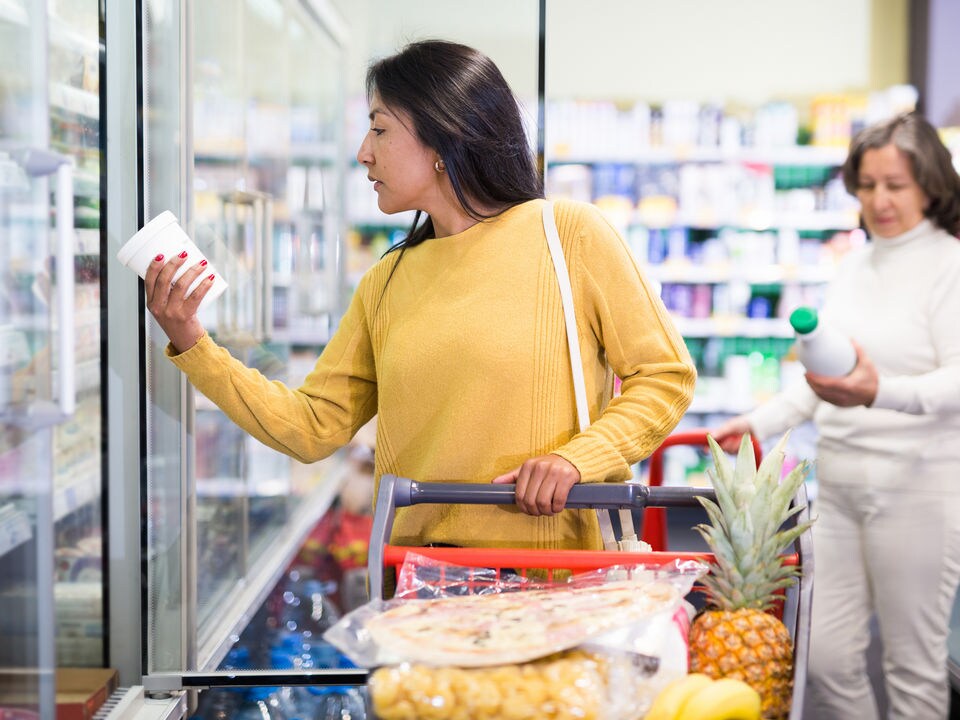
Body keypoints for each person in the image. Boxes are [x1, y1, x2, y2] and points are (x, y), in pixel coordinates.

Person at [143, 39, 695, 556]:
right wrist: (193, 341)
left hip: (552, 576)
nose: (363, 153)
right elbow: (312, 428)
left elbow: (665, 374)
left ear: (444, 135)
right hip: (418, 581)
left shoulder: (569, 235)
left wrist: (577, 460)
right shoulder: (387, 281)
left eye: (379, 129)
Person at [711, 111, 960, 720]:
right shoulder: (854, 266)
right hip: (841, 487)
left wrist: (880, 393)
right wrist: (760, 422)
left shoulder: (950, 265)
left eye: (895, 184)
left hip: (919, 488)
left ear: (931, 184)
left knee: (911, 666)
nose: (879, 199)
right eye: (868, 184)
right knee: (821, 659)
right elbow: (825, 378)